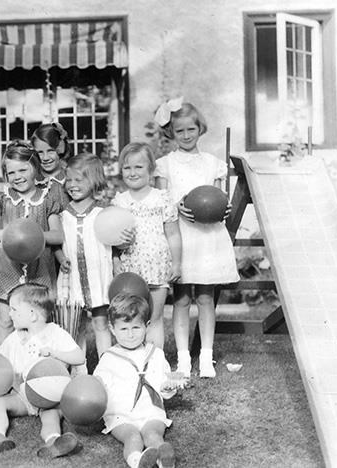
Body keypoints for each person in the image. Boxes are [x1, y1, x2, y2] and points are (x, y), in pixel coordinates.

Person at [154, 100, 238, 378]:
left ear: (200, 129)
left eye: (191, 129)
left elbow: (218, 200)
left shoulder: (212, 163)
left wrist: (223, 208)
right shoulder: (165, 165)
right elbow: (161, 199)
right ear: (171, 133)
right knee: (180, 300)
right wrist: (174, 205)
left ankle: (206, 357)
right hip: (181, 236)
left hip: (207, 238)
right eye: (180, 131)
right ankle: (183, 358)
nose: (187, 135)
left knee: (205, 297)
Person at [0, 283, 85, 458]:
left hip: (50, 397)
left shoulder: (55, 333)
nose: (10, 314)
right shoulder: (14, 338)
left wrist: (55, 353)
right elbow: (0, 363)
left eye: (14, 310)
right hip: (22, 396)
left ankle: (53, 441)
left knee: (51, 415)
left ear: (32, 315)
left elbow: (79, 357)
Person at [0, 140, 65, 345]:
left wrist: (34, 236)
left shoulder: (47, 198)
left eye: (23, 170)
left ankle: (38, 362)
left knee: (38, 318)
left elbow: (58, 235)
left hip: (39, 266)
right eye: (11, 173)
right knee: (6, 319)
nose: (17, 177)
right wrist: (12, 234)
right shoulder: (2, 198)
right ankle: (6, 366)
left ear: (35, 169)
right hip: (7, 266)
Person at [93, 293, 184, 468]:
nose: (130, 335)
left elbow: (163, 385)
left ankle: (164, 459)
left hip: (150, 410)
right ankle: (137, 461)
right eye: (123, 329)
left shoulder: (155, 354)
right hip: (121, 414)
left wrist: (167, 387)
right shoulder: (109, 358)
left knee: (152, 435)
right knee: (132, 437)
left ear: (146, 326)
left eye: (136, 328)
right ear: (112, 329)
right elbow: (98, 387)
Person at [55, 153, 122, 370]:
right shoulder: (62, 214)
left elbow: (113, 242)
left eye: (78, 180)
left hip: (98, 276)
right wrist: (60, 258)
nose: (72, 185)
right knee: (76, 325)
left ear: (93, 181)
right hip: (71, 276)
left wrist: (116, 261)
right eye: (69, 180)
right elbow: (57, 243)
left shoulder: (104, 212)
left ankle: (105, 367)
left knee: (101, 323)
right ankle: (79, 370)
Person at [112, 142, 182, 350]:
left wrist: (176, 264)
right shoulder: (119, 202)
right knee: (129, 318)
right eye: (127, 168)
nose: (132, 172)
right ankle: (130, 361)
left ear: (151, 170)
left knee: (154, 317)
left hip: (157, 267)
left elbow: (173, 234)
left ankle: (155, 365)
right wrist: (116, 260)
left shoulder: (161, 198)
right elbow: (113, 239)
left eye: (138, 167)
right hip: (130, 269)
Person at [31, 122, 71, 196]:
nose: (45, 158)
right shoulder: (32, 180)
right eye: (40, 152)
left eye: (50, 151)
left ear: (61, 149)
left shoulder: (70, 178)